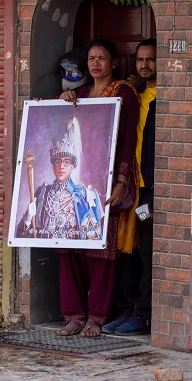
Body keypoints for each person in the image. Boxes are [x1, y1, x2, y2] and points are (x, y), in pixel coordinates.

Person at [56, 38, 141, 338]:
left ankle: (97, 316)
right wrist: (61, 102)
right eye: (91, 58)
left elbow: (128, 139)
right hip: (75, 182)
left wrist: (121, 180)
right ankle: (74, 315)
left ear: (113, 63)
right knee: (69, 247)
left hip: (104, 181)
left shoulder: (123, 93)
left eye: (102, 58)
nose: (95, 63)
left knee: (100, 250)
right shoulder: (78, 94)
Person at [101, 38, 157, 336]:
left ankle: (144, 314)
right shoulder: (134, 94)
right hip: (130, 187)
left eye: (151, 59)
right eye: (140, 59)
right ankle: (127, 309)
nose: (144, 65)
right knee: (126, 250)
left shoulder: (167, 97)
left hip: (151, 189)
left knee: (147, 251)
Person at [17, 116, 104, 240]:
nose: (61, 166)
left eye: (66, 162)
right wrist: (27, 218)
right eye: (58, 161)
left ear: (73, 166)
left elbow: (92, 239)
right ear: (53, 165)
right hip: (45, 249)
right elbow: (23, 237)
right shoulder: (42, 194)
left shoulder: (84, 196)